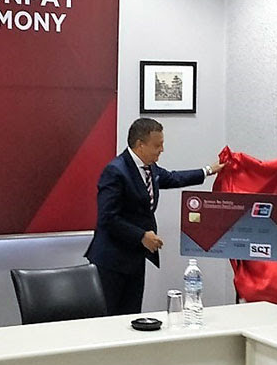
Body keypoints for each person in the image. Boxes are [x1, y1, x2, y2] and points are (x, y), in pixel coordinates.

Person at [85, 118, 224, 315]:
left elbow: (174, 178)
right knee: (109, 318)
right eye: (157, 145)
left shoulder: (150, 168)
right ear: (140, 145)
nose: (162, 150)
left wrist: (208, 171)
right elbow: (108, 218)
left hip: (135, 258)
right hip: (111, 261)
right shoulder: (116, 171)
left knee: (131, 315)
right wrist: (141, 236)